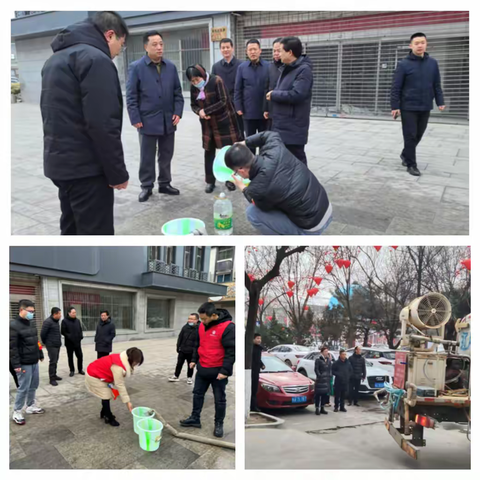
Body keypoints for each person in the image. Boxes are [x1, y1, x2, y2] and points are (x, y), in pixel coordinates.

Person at [41, 11, 129, 235]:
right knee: (95, 234)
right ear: (110, 35)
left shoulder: (55, 60)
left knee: (71, 227)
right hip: (87, 170)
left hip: (61, 164)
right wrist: (117, 173)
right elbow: (102, 124)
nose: (120, 50)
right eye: (122, 42)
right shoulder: (96, 60)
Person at [226, 131, 332, 235]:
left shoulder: (257, 188)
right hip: (326, 208)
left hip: (312, 226)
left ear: (241, 170)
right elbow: (269, 134)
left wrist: (242, 187)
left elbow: (259, 204)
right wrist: (243, 143)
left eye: (235, 172)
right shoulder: (275, 148)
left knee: (253, 213)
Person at [126, 30, 184, 202]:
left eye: (161, 44)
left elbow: (178, 94)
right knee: (147, 156)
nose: (159, 47)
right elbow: (131, 96)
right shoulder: (136, 67)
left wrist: (177, 112)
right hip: (146, 121)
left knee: (166, 154)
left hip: (168, 120)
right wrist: (135, 118)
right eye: (155, 44)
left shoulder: (171, 67)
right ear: (146, 47)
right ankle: (146, 186)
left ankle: (165, 183)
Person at [391, 32, 445, 177]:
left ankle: (405, 154)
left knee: (418, 135)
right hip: (408, 106)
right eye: (416, 43)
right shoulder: (403, 64)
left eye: (422, 42)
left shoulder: (433, 63)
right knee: (410, 135)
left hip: (425, 105)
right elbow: (396, 87)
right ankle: (411, 164)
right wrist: (395, 106)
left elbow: (436, 84)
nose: (420, 45)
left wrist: (440, 101)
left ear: (426, 44)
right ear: (411, 46)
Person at [180, 303, 235, 438]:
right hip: (202, 369)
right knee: (197, 394)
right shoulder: (201, 327)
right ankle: (195, 418)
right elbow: (197, 345)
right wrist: (193, 360)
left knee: (219, 399)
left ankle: (218, 423)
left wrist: (225, 371)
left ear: (214, 315)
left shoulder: (228, 327)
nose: (202, 322)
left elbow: (231, 351)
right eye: (201, 319)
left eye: (204, 319)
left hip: (218, 373)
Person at [187, 64, 243, 194]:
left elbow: (224, 101)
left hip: (224, 122)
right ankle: (210, 181)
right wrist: (199, 111)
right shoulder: (193, 87)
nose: (196, 83)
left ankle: (230, 179)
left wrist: (206, 110)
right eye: (193, 81)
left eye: (197, 79)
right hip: (207, 125)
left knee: (227, 153)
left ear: (202, 75)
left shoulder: (216, 81)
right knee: (209, 152)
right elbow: (193, 104)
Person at [266, 36, 313, 165]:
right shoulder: (287, 68)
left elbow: (297, 94)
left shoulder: (304, 70)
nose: (278, 54)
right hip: (283, 124)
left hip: (293, 126)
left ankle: (305, 184)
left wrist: (274, 94)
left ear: (290, 52)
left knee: (297, 161)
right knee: (286, 162)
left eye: (281, 51)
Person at [85, 347, 144, 427]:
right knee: (106, 395)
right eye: (136, 362)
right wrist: (128, 402)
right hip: (94, 375)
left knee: (106, 395)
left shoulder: (123, 359)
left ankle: (104, 412)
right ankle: (108, 417)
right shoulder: (118, 366)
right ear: (130, 359)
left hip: (100, 373)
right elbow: (120, 384)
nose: (136, 364)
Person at [10, 300, 45, 425]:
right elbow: (12, 348)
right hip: (23, 362)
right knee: (23, 387)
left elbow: (36, 341)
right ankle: (17, 411)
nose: (32, 314)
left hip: (33, 360)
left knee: (34, 385)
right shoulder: (13, 325)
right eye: (29, 312)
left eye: (33, 312)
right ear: (21, 310)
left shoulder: (31, 323)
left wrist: (40, 353)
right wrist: (16, 365)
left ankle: (30, 406)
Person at [234, 39, 269, 153]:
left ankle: (264, 164)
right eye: (250, 50)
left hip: (264, 111)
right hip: (248, 111)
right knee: (250, 141)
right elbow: (238, 88)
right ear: (246, 52)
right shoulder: (242, 67)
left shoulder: (269, 67)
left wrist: (269, 108)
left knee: (264, 141)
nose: (252, 52)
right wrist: (238, 107)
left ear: (260, 51)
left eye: (255, 49)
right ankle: (251, 165)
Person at [211, 38, 244, 133]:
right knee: (225, 133)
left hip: (237, 105)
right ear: (220, 50)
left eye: (227, 47)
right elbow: (213, 87)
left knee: (240, 132)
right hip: (222, 106)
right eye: (223, 48)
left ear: (232, 48)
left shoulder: (241, 65)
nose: (225, 50)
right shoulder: (216, 67)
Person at [169, 313, 200, 384]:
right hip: (182, 350)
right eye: (189, 318)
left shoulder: (199, 328)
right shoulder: (185, 327)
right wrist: (178, 347)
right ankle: (176, 376)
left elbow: (198, 342)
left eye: (192, 319)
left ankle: (189, 377)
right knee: (179, 363)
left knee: (190, 365)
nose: (190, 320)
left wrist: (196, 352)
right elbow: (180, 337)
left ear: (197, 320)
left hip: (192, 351)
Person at [263, 38, 283, 128]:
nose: (276, 53)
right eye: (274, 51)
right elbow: (266, 88)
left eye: (278, 51)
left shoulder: (290, 67)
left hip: (284, 109)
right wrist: (266, 109)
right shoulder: (270, 67)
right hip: (272, 108)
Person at [40, 307, 63, 386]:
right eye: (59, 314)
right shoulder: (47, 322)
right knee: (53, 361)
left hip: (57, 344)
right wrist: (46, 343)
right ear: (54, 314)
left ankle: (54, 375)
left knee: (56, 360)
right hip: (51, 345)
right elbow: (42, 334)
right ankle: (52, 378)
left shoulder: (56, 321)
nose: (60, 315)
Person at [61, 307, 85, 377]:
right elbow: (63, 332)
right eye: (73, 313)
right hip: (69, 343)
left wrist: (80, 336)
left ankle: (80, 369)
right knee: (70, 357)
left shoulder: (77, 320)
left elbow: (80, 329)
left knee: (80, 356)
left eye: (75, 312)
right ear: (69, 313)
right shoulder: (64, 321)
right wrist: (70, 336)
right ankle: (72, 370)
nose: (74, 314)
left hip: (77, 342)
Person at [314, 346, 332, 415]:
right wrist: (319, 376)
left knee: (324, 394)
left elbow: (330, 369)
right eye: (325, 351)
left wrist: (330, 375)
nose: (326, 353)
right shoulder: (318, 360)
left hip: (326, 380)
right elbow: (316, 369)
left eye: (327, 351)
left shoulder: (328, 360)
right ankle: (317, 408)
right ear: (322, 352)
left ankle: (322, 408)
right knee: (318, 395)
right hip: (320, 380)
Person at [251, 333, 265, 412]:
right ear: (252, 339)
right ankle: (252, 406)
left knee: (254, 390)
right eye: (257, 338)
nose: (259, 340)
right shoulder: (250, 348)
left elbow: (257, 359)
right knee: (252, 389)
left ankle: (253, 406)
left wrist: (261, 365)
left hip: (256, 372)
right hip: (251, 371)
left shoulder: (259, 348)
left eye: (260, 338)